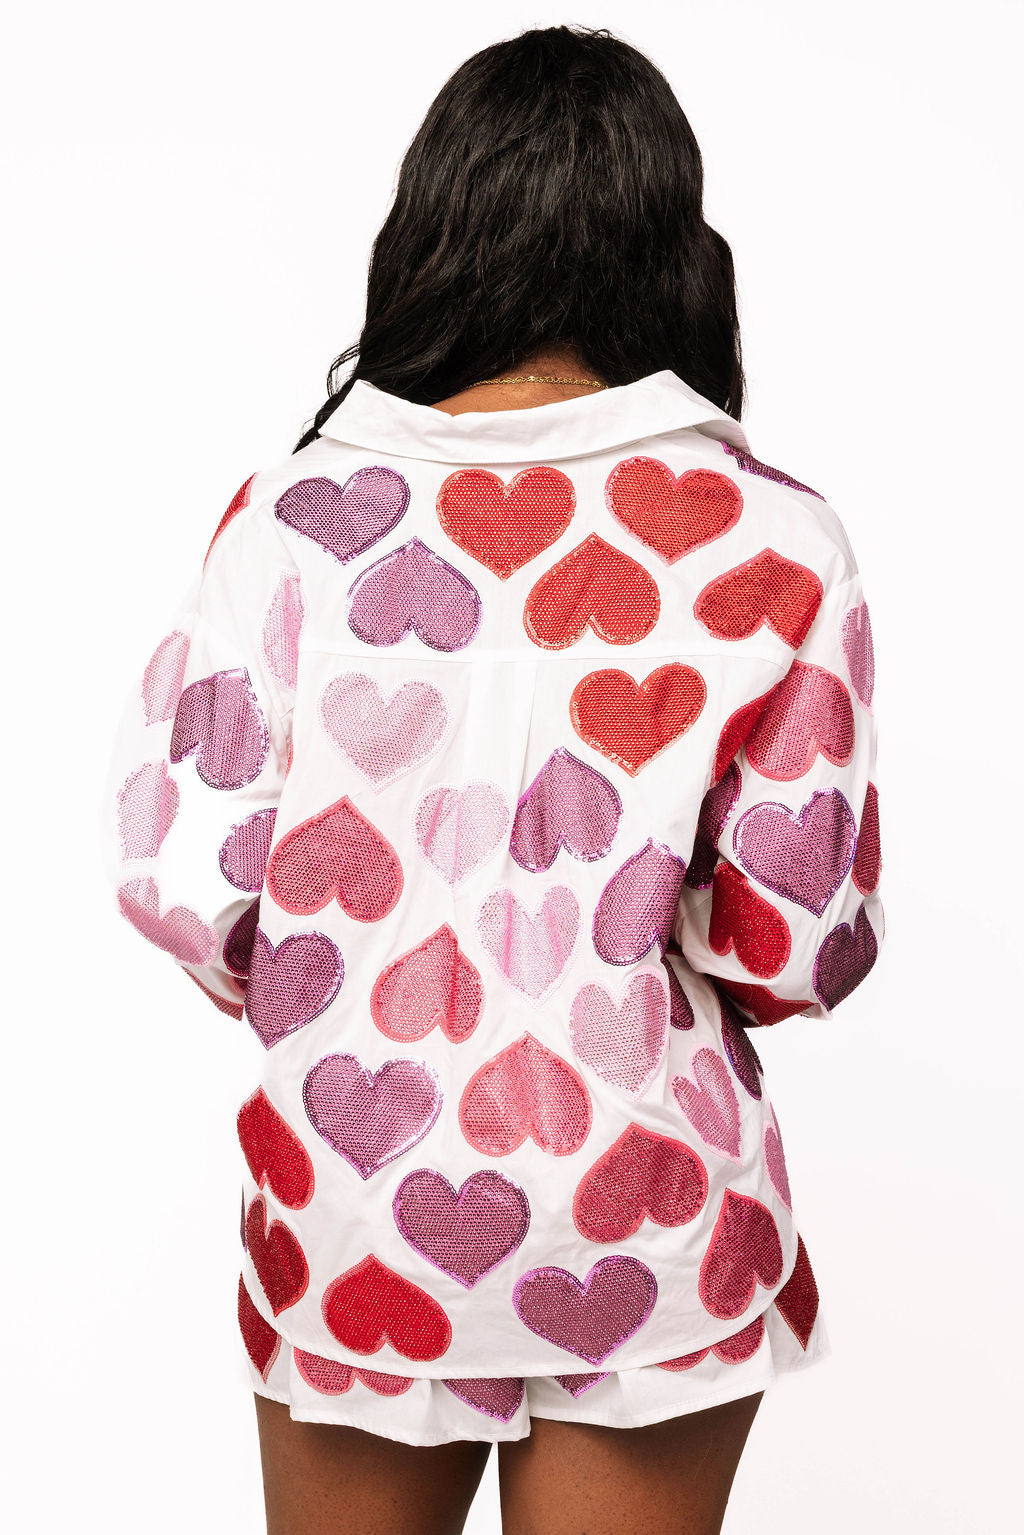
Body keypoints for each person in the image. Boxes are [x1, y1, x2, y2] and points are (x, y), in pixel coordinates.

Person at [100, 23, 884, 1535]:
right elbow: (794, 945)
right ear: (674, 250)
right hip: (650, 1212)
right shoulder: (777, 539)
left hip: (356, 1195)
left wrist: (352, 973)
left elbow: (186, 887)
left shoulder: (293, 521)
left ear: (430, 233)